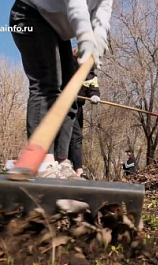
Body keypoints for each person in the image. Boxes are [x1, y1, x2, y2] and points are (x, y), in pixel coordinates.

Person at [9, 0, 112, 176]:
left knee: (69, 98)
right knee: (46, 86)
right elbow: (75, 4)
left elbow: (102, 12)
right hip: (30, 14)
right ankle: (42, 162)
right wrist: (86, 37)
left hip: (57, 29)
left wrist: (100, 38)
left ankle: (61, 161)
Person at [68, 47, 101, 178]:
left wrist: (95, 95)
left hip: (77, 108)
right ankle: (70, 166)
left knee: (76, 138)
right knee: (64, 136)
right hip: (63, 106)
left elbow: (94, 89)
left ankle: (76, 169)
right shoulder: (68, 67)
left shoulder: (91, 75)